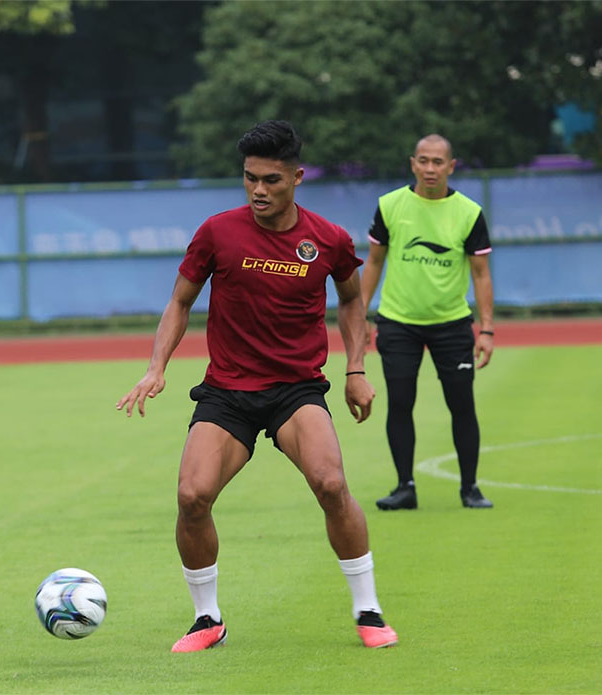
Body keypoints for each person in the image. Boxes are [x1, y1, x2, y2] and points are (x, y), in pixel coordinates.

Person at [116, 120, 398, 652]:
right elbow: (180, 301)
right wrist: (156, 368)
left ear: (297, 176)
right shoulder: (217, 232)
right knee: (191, 496)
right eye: (249, 179)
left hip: (296, 390)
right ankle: (207, 621)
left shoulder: (329, 239)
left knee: (332, 486)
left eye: (271, 179)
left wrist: (356, 369)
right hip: (227, 393)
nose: (259, 190)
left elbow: (352, 299)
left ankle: (368, 609)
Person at [360, 134, 495, 511]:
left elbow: (481, 274)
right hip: (398, 322)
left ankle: (470, 488)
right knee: (400, 403)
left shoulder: (469, 212)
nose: (430, 168)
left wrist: (486, 329)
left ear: (451, 166)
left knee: (462, 405)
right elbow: (373, 261)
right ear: (412, 163)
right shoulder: (390, 205)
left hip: (452, 325)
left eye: (438, 162)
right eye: (424, 161)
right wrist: (359, 315)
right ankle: (405, 486)